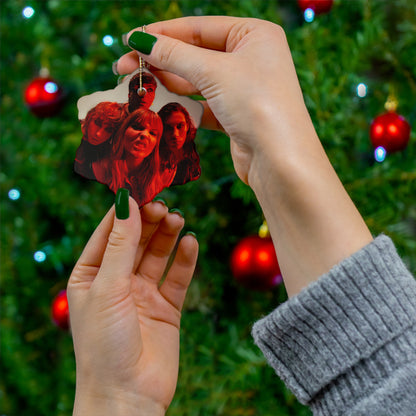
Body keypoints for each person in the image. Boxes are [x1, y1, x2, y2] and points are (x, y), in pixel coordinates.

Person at [67, 16, 416, 416]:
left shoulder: (167, 158)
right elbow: (392, 383)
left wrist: (113, 401)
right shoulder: (106, 134)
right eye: (136, 132)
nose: (147, 138)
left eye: (154, 132)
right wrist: (119, 400)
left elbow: (393, 383)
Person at [105, 108, 164, 207]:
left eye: (152, 133)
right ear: (123, 130)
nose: (144, 135)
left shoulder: (157, 181)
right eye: (138, 127)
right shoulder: (101, 168)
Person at [74, 101, 127, 180]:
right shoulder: (73, 129)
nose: (99, 134)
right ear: (89, 118)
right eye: (97, 123)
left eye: (108, 130)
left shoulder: (108, 154)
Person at [158, 102, 201, 187]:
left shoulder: (192, 163)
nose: (175, 134)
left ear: (187, 126)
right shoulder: (152, 162)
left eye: (180, 126)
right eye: (168, 128)